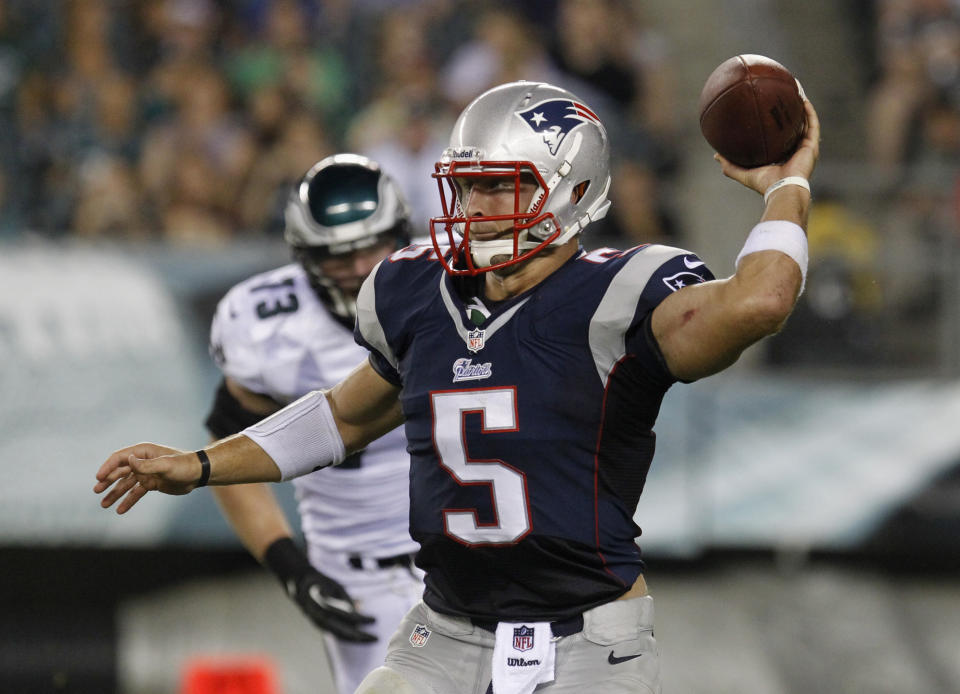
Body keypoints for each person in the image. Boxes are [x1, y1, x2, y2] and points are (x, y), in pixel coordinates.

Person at [96, 80, 820, 694]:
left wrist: (786, 184)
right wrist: (196, 466)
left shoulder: (622, 292)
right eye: (466, 186)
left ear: (572, 192)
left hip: (590, 643)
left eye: (498, 189)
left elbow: (760, 301)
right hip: (442, 635)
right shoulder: (414, 290)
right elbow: (341, 421)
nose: (472, 209)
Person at [202, 153, 423, 694]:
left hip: (475, 554)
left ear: (400, 234)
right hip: (357, 573)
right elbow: (235, 447)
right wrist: (291, 568)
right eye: (335, 254)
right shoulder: (265, 323)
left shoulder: (453, 292)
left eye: (371, 246)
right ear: (303, 254)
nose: (358, 267)